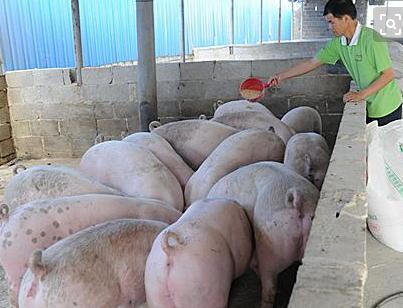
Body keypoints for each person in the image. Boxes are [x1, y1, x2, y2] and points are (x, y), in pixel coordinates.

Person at [268, 0, 402, 126]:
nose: (329, 27)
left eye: (332, 22)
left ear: (346, 18)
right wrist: (281, 76)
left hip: (388, 107)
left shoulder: (372, 39)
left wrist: (360, 94)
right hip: (369, 105)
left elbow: (388, 75)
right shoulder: (338, 43)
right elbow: (312, 62)